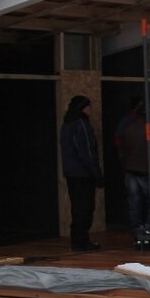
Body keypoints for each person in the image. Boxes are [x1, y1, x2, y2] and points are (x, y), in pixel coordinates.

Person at [59, 95, 103, 251]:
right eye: (89, 106)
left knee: (77, 207)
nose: (91, 109)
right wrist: (96, 173)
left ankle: (78, 240)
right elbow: (87, 152)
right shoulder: (81, 124)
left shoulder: (67, 124)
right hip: (83, 174)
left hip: (72, 173)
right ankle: (82, 240)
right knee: (85, 207)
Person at [115, 97, 150, 249]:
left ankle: (138, 236)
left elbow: (120, 147)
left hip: (130, 170)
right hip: (146, 171)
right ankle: (149, 235)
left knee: (135, 205)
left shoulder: (127, 127)